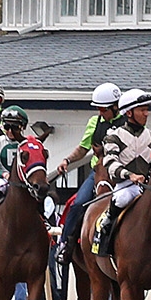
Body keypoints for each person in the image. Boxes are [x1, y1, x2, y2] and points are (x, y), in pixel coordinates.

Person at [49, 83, 124, 268]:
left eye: (103, 109)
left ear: (116, 107)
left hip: (122, 174)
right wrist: (67, 160)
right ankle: (65, 245)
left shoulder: (126, 123)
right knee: (78, 204)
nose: (100, 112)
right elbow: (83, 148)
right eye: (98, 108)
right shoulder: (94, 122)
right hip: (99, 173)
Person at [93, 91, 151, 257]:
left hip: (148, 187)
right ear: (129, 112)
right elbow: (109, 163)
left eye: (147, 110)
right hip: (126, 186)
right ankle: (104, 236)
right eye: (142, 110)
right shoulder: (113, 137)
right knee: (123, 197)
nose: (146, 113)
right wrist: (130, 175)